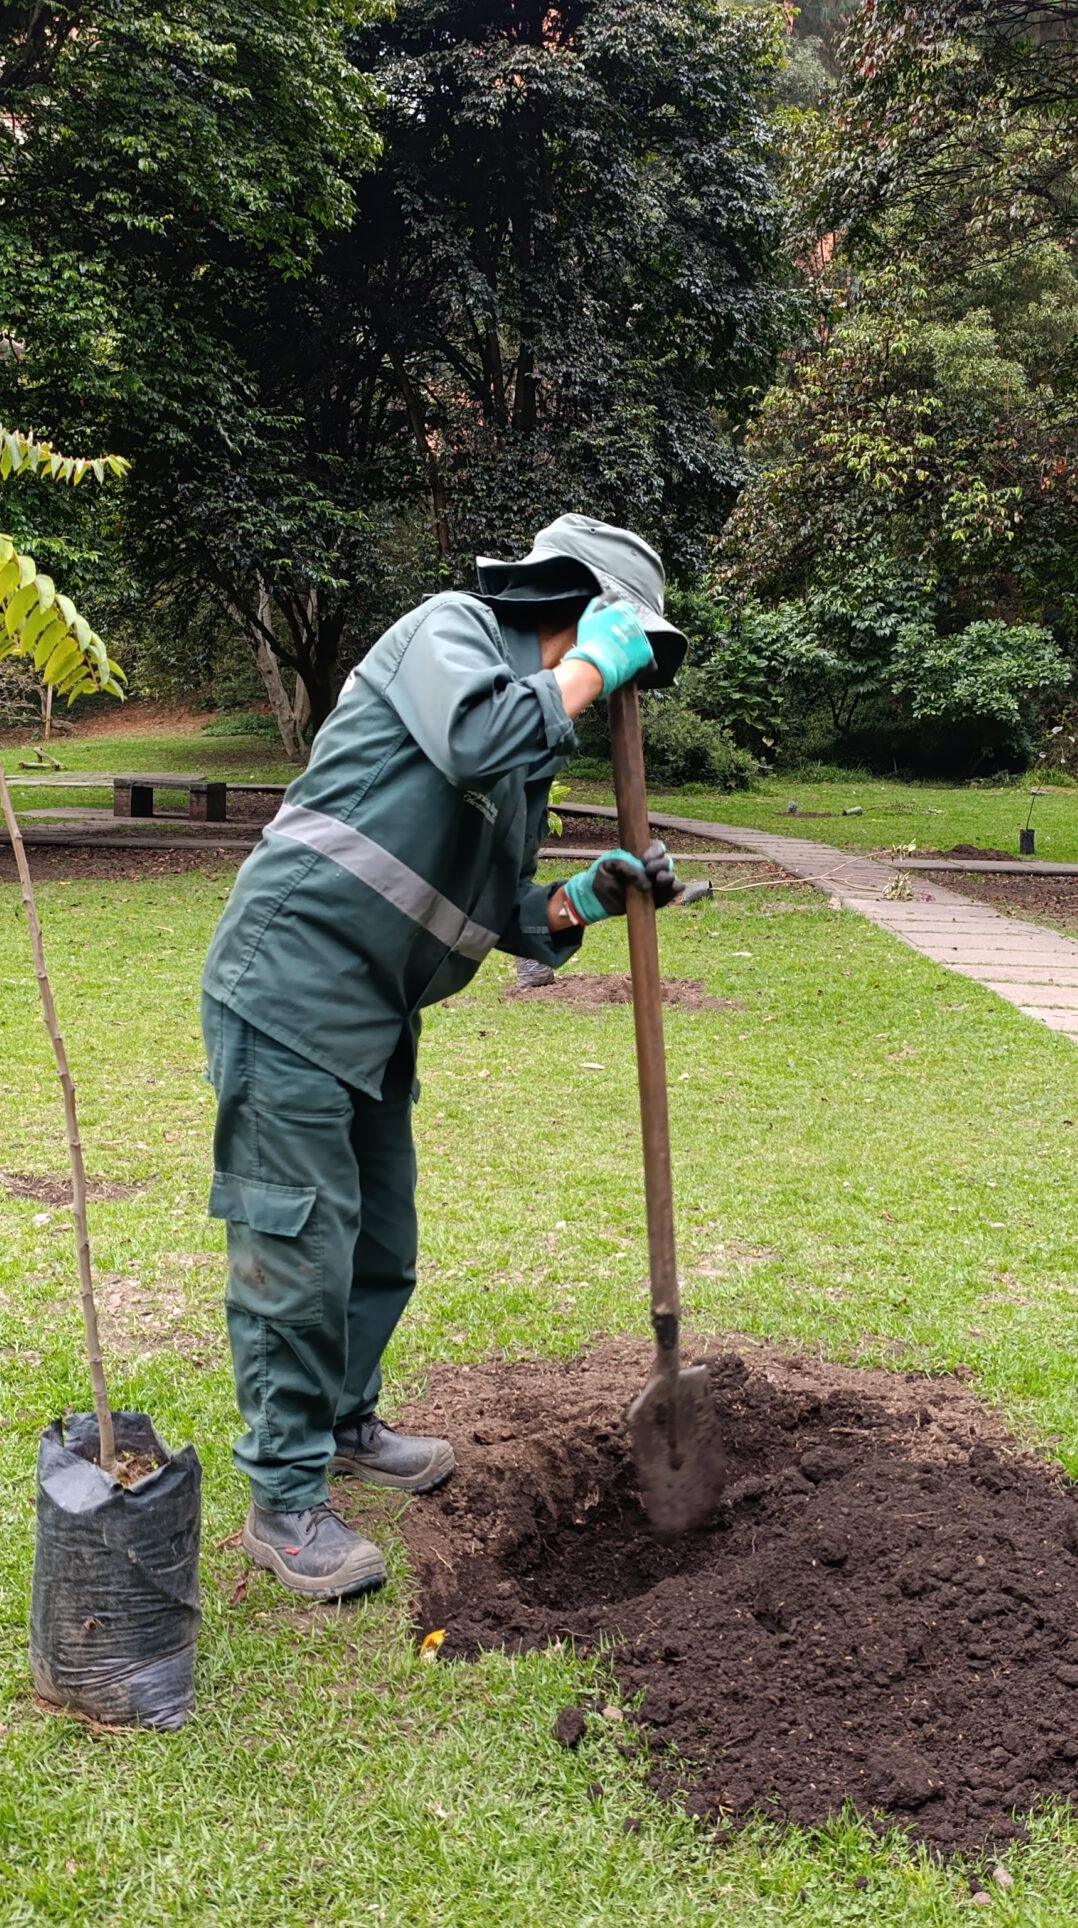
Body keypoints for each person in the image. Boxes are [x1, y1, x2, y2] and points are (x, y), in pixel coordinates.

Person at [201, 515, 706, 1599]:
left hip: (377, 1013)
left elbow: (480, 904)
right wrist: (584, 676)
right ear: (573, 610)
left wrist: (576, 900)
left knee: (379, 1237)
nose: (620, 691)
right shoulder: (452, 636)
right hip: (291, 981)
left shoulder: (523, 756)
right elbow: (478, 738)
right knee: (297, 1239)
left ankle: (342, 1423)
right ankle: (284, 1500)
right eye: (620, 655)